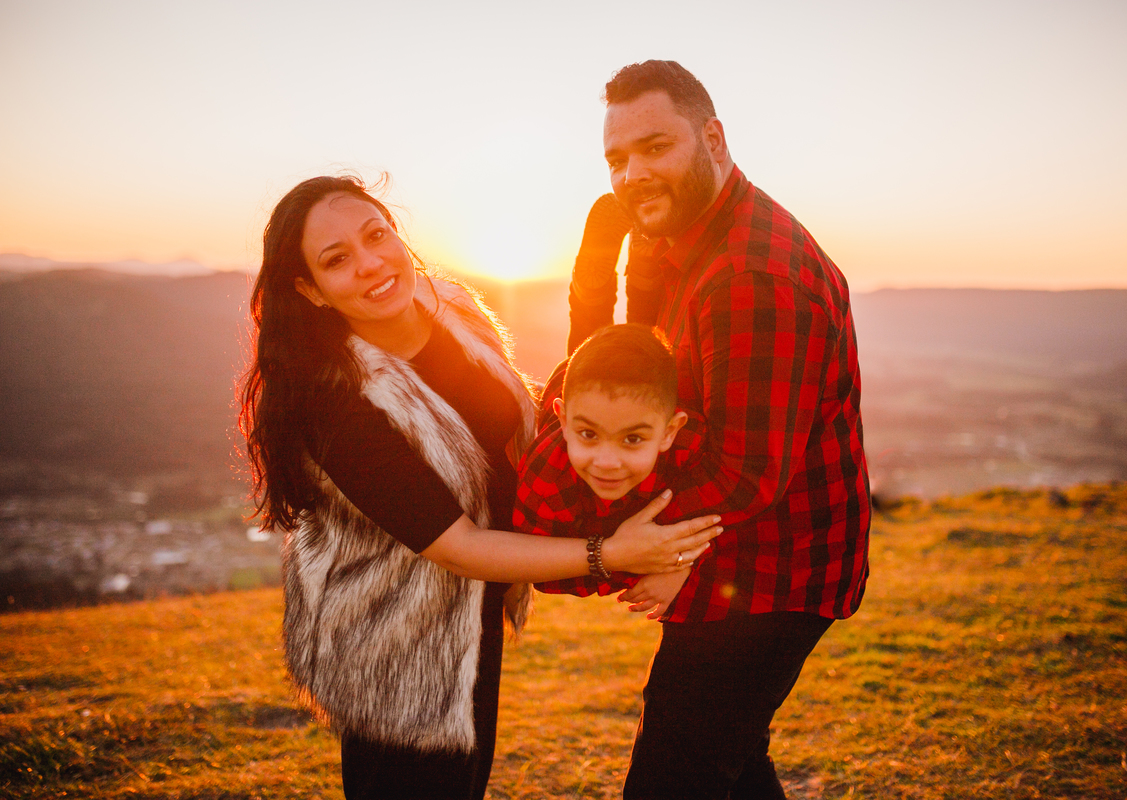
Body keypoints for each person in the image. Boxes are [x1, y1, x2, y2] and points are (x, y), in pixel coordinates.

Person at [238, 174, 722, 800]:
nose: (370, 263)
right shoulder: (337, 404)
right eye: (337, 260)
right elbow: (459, 546)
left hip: (474, 611)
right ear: (310, 290)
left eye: (375, 235)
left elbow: (545, 418)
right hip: (395, 645)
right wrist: (614, 554)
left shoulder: (450, 308)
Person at [570, 61, 872, 799]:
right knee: (728, 765)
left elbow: (744, 473)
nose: (632, 174)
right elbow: (632, 382)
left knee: (676, 774)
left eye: (655, 148)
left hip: (771, 570)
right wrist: (601, 266)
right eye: (617, 160)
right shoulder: (691, 238)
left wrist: (656, 548)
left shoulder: (750, 277)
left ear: (713, 138)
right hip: (742, 550)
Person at [514, 323, 705, 620]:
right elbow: (540, 573)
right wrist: (625, 559)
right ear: (564, 422)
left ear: (669, 432)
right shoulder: (547, 473)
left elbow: (720, 523)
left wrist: (681, 565)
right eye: (589, 434)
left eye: (632, 439)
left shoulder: (693, 448)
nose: (607, 462)